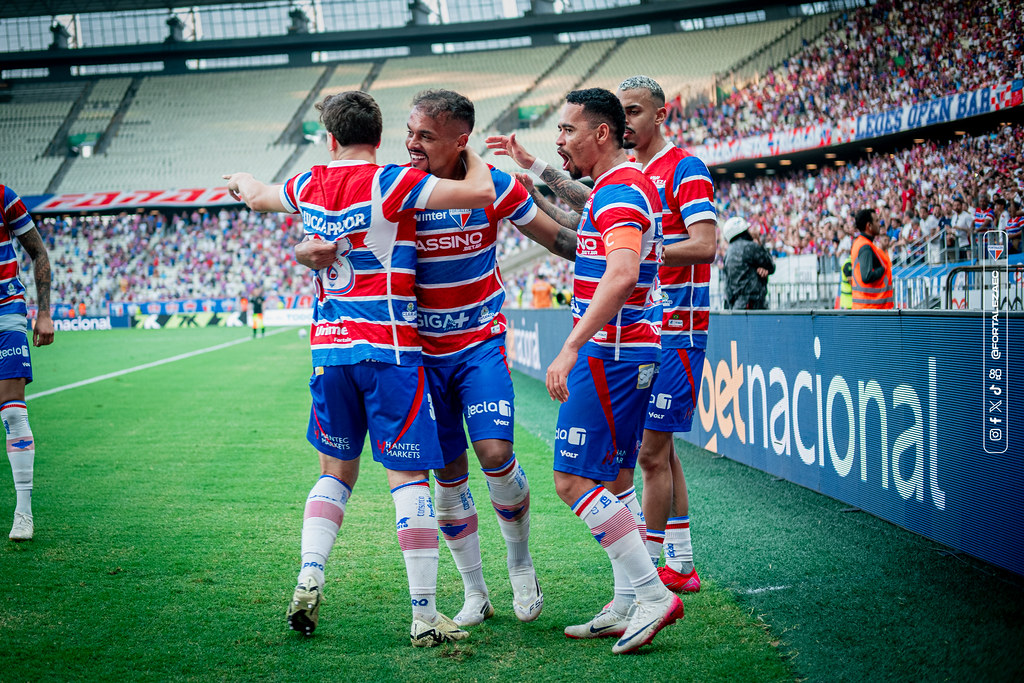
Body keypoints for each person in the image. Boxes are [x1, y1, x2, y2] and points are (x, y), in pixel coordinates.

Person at [223, 90, 496, 646]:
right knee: (408, 479)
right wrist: (472, 150)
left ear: (330, 138)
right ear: (379, 136)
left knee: (334, 473)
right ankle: (424, 614)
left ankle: (309, 575)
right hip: (391, 349)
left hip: (330, 351)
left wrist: (241, 179)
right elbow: (481, 190)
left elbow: (256, 195)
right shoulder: (395, 180)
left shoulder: (306, 184)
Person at [295, 89, 565, 628]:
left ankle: (519, 561)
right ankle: (474, 591)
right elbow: (320, 235)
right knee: (446, 471)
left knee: (494, 452)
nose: (411, 144)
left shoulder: (495, 185)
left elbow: (557, 237)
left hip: (478, 344)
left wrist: (623, 251)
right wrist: (305, 251)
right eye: (409, 132)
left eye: (425, 136)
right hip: (417, 353)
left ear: (459, 140)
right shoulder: (396, 185)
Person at [488, 75, 718, 607]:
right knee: (624, 473)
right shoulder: (628, 180)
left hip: (638, 339)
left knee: (615, 467)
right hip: (636, 337)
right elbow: (581, 222)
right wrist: (531, 174)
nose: (561, 138)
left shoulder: (660, 175)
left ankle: (662, 576)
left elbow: (645, 257)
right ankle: (636, 593)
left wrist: (572, 344)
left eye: (568, 129)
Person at [1, 184, 55, 542]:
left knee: (13, 413)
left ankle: (24, 514)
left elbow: (38, 253)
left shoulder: (4, 196)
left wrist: (45, 313)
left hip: (7, 312)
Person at [722, 216, 775, 310]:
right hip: (753, 305)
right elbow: (770, 265)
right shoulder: (750, 247)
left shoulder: (728, 252)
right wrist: (758, 242)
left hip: (735, 305)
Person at [850, 208, 894, 309]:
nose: (879, 224)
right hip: (872, 309)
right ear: (869, 226)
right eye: (876, 221)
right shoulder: (865, 246)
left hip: (868, 308)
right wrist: (882, 270)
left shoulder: (863, 243)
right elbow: (867, 276)